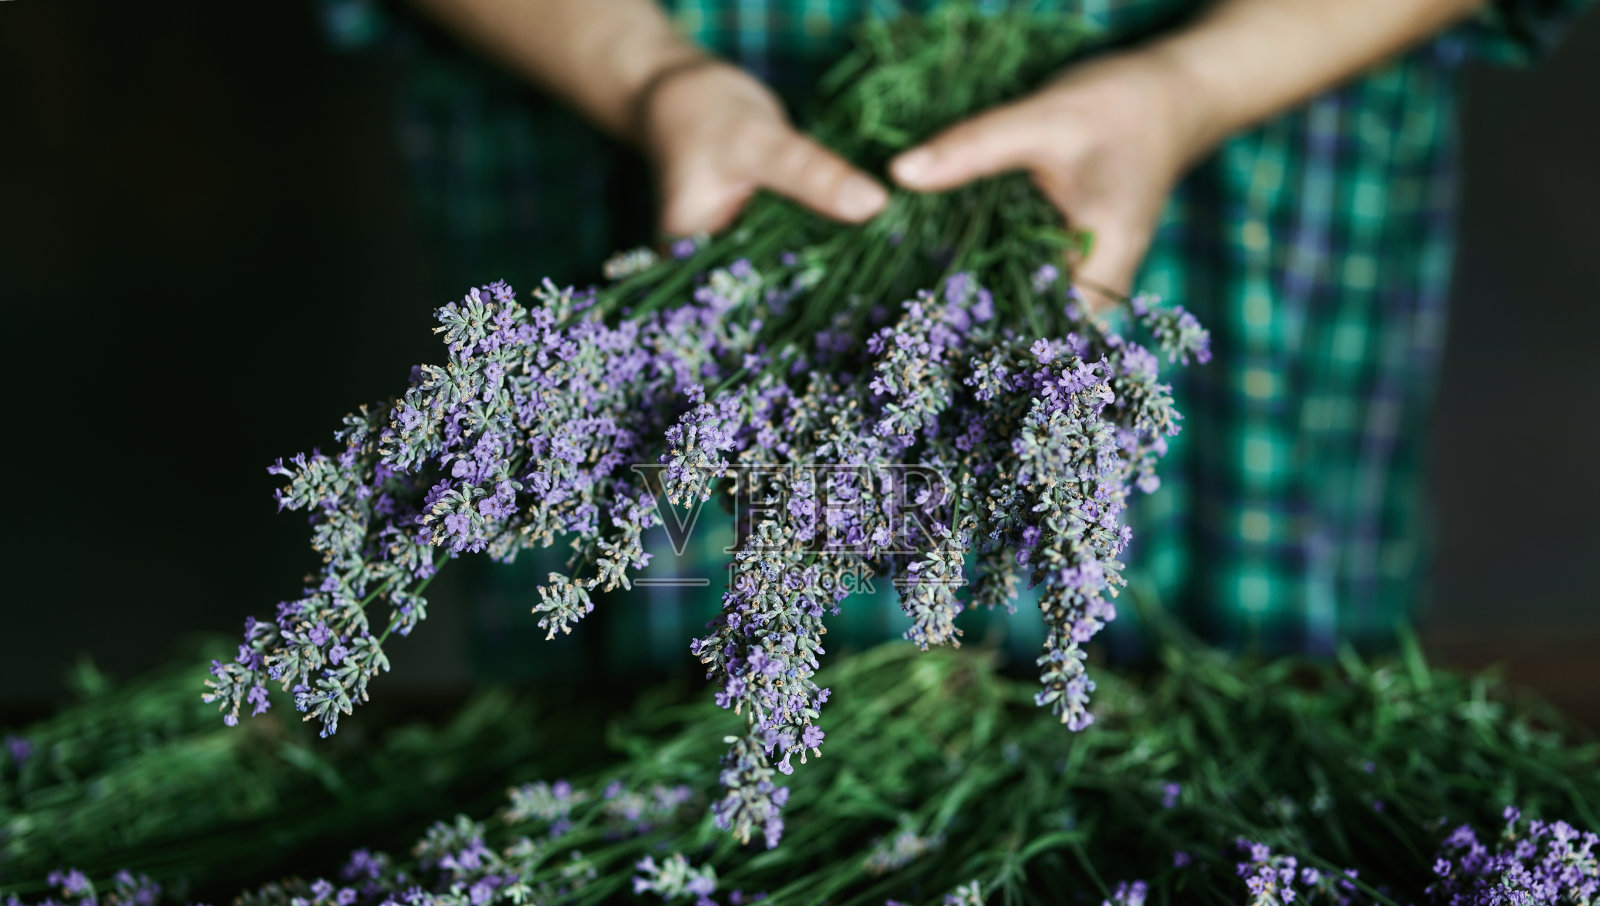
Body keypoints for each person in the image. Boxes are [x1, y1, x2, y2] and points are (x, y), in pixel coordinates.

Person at [324, 0, 1586, 671]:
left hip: (1256, 104)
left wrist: (1191, 86)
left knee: (1254, 702)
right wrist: (649, 76)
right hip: (638, 105)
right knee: (650, 653)